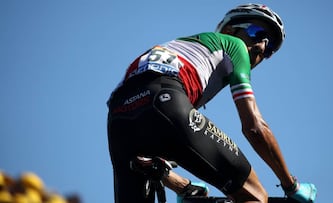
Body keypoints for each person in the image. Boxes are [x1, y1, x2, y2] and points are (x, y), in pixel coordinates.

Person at [107, 3, 317, 203]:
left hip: (118, 118)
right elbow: (254, 128)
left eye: (270, 47)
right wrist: (291, 185)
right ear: (229, 30)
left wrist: (182, 186)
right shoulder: (235, 46)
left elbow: (154, 135)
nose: (262, 46)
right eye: (257, 32)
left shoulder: (184, 51)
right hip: (166, 99)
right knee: (254, 195)